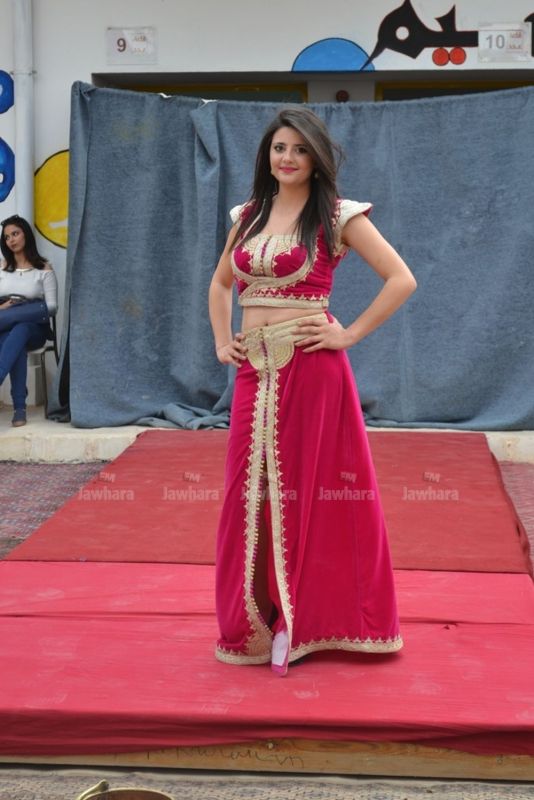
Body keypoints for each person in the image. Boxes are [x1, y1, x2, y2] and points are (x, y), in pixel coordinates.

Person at [208, 107, 417, 676]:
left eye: (300, 149)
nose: (288, 158)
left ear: (317, 158)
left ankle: (301, 623)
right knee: (249, 495)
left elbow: (401, 278)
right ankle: (256, 620)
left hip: (310, 366)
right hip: (253, 370)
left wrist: (347, 334)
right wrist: (222, 340)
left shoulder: (338, 214)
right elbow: (222, 283)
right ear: (267, 155)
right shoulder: (248, 215)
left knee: (311, 493)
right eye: (279, 148)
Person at [0, 215, 58, 427]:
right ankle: (19, 408)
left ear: (26, 234)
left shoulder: (43, 269)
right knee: (17, 335)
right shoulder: (2, 268)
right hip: (8, 327)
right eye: (7, 237)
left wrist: (17, 312)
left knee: (22, 328)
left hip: (35, 329)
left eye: (15, 234)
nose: (11, 240)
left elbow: (51, 308)